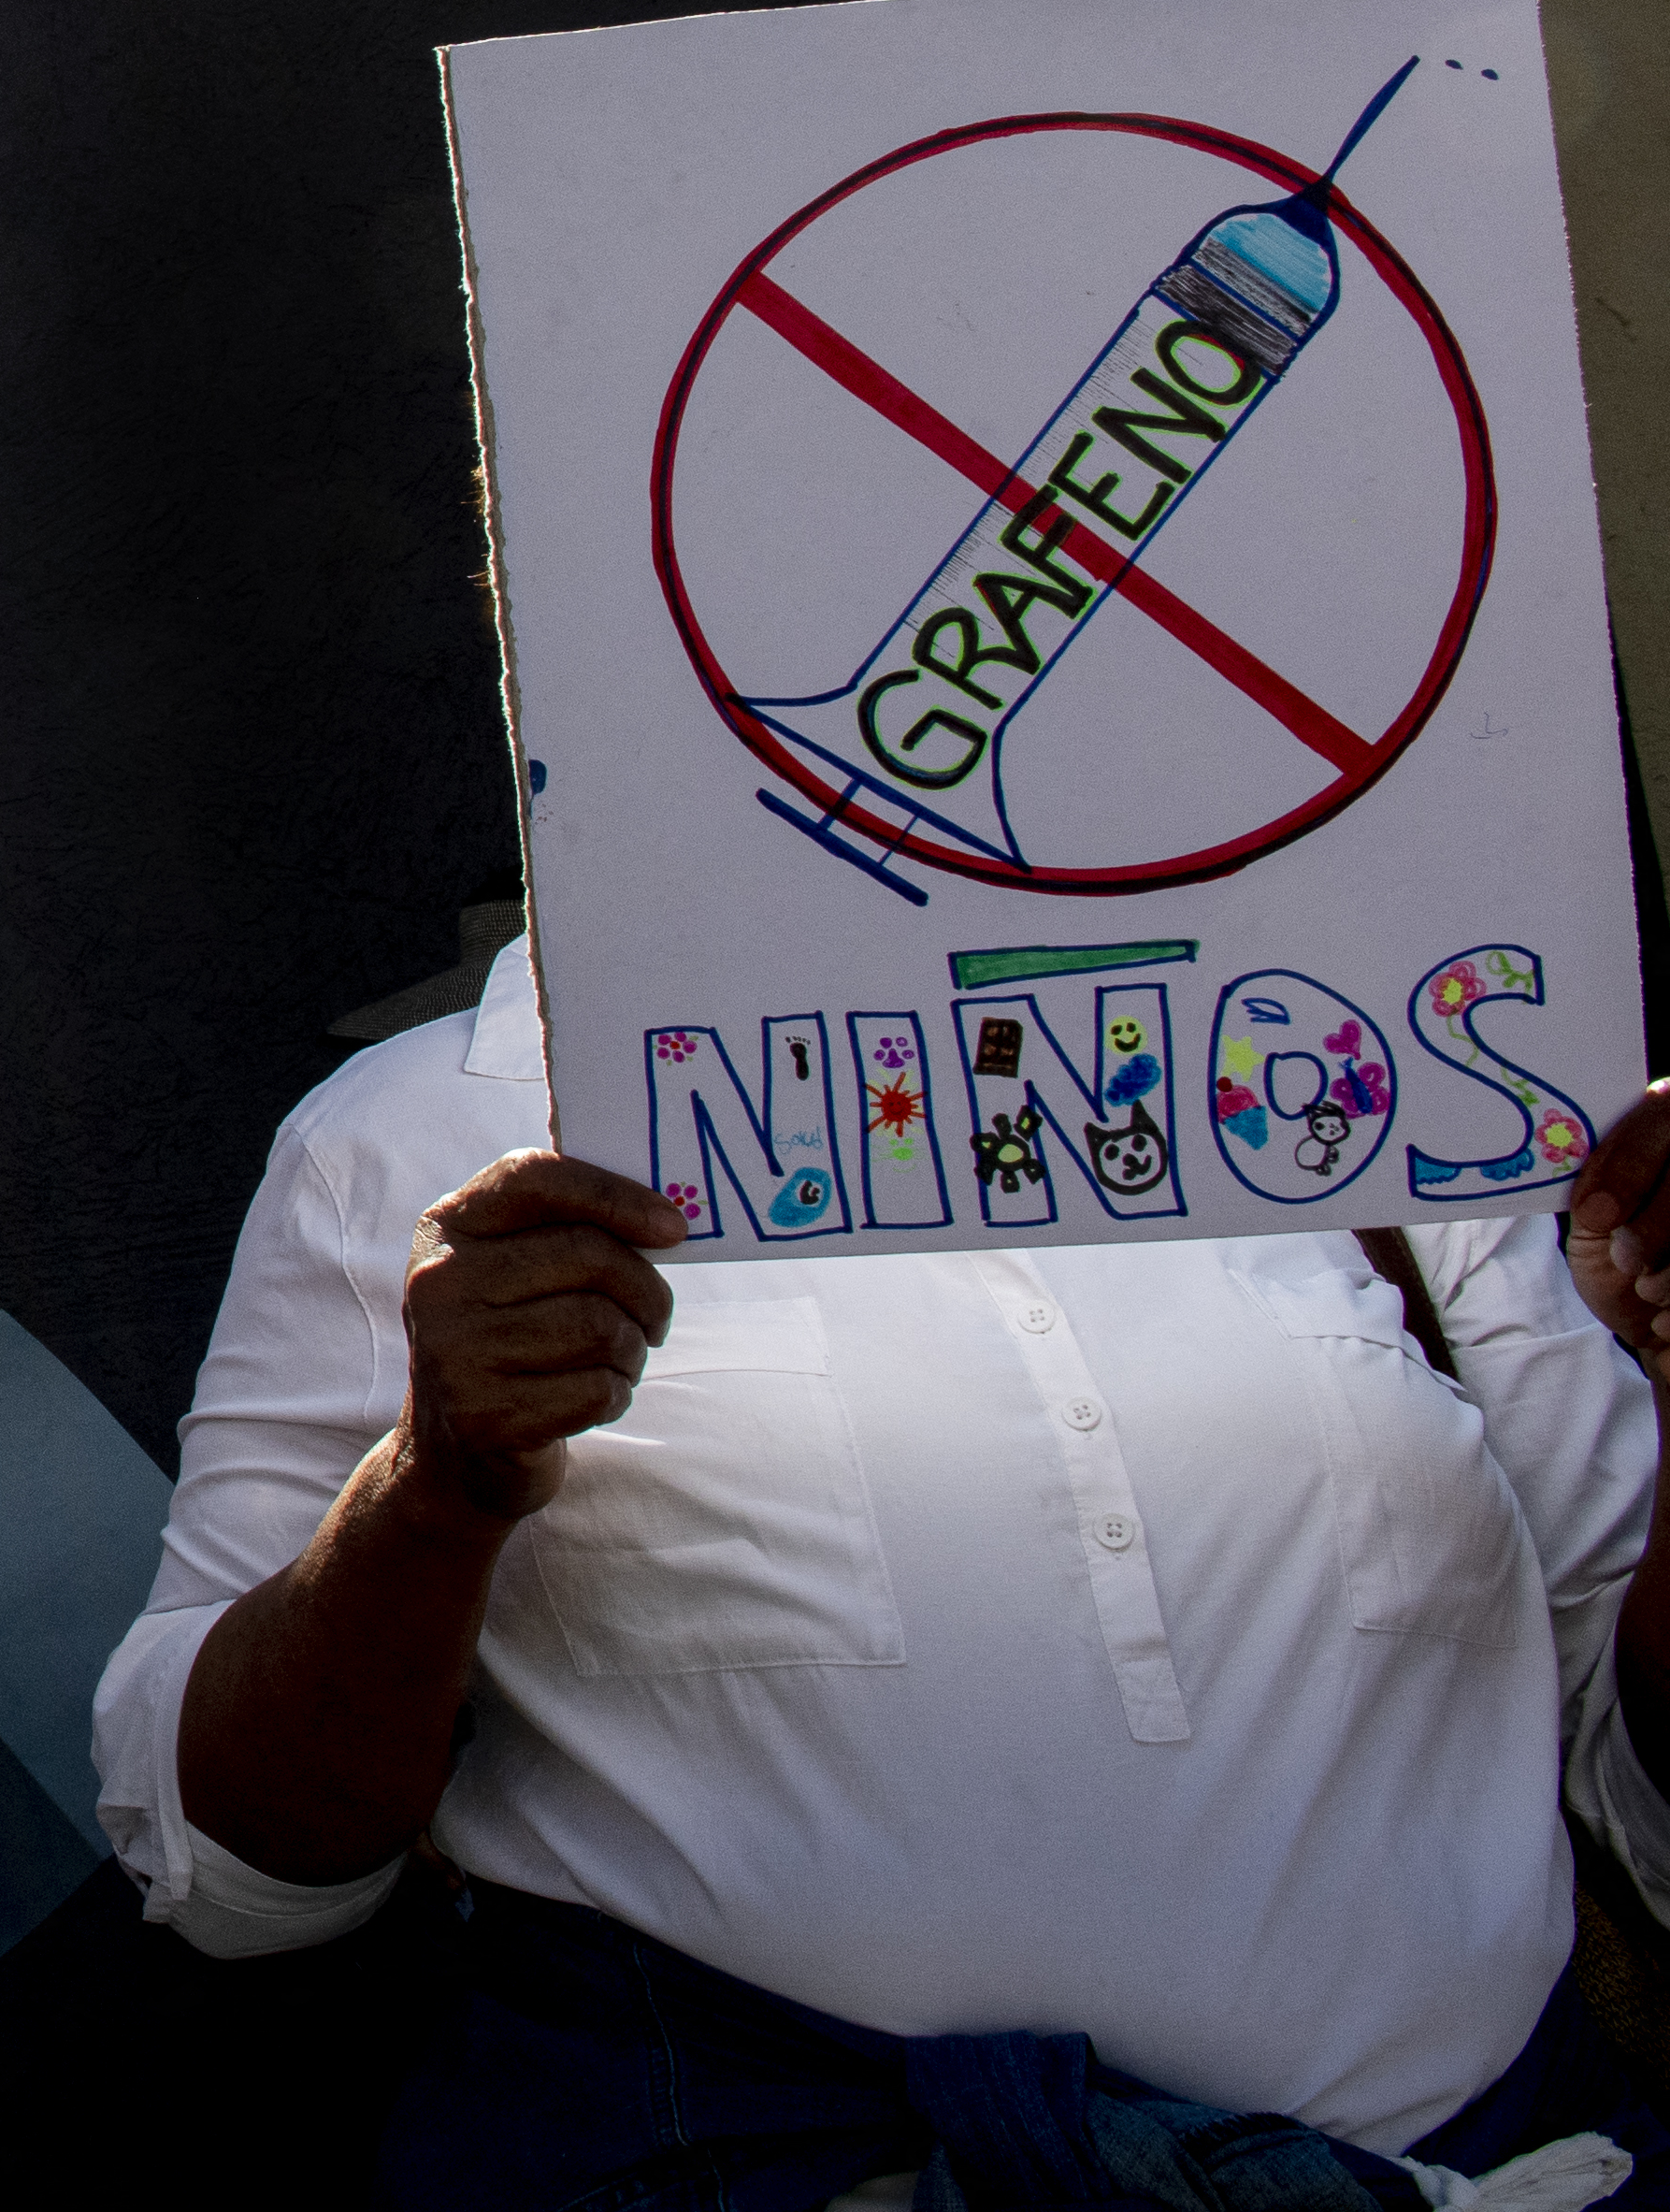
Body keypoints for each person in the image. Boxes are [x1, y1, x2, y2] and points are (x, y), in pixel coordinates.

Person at [94, 930, 1670, 2206]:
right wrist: (431, 1488)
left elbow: (1637, 1771)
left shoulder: (1343, 1051)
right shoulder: (406, 1133)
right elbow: (224, 1875)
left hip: (1507, 2166)